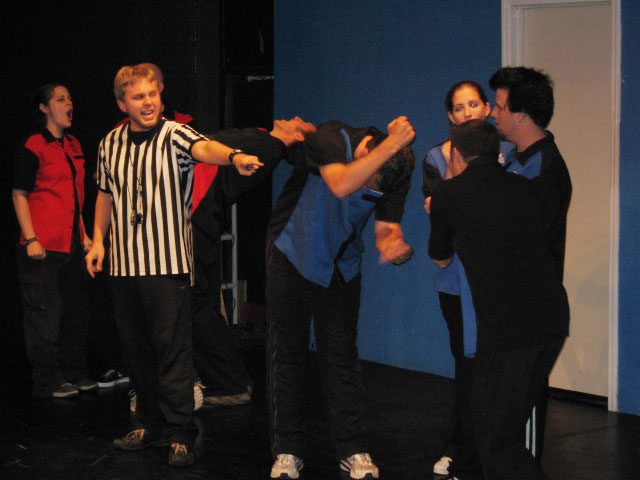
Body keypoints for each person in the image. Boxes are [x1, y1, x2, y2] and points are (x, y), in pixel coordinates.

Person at [84, 64, 262, 467]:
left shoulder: (175, 133)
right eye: (138, 97)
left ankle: (180, 432)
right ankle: (148, 425)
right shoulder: (110, 143)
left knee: (173, 351)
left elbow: (205, 149)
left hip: (166, 266)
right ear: (122, 104)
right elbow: (105, 195)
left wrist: (233, 156)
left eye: (153, 94)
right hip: (124, 267)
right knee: (137, 351)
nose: (148, 103)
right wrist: (97, 241)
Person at [266, 117, 416, 479]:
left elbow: (385, 228)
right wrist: (393, 142)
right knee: (288, 354)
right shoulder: (332, 137)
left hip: (340, 265)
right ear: (365, 153)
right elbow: (340, 183)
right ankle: (287, 449)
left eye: (374, 187)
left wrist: (392, 245)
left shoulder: (396, 170)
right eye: (369, 178)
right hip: (292, 253)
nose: (368, 188)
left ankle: (353, 448)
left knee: (341, 357)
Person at [428, 119, 569, 480]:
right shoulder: (525, 186)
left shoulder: (448, 193)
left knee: (496, 441)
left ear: (456, 154)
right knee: (498, 435)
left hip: (509, 331)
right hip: (550, 319)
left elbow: (440, 258)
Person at [421, 80, 515, 476]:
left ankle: (491, 448)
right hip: (454, 280)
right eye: (458, 108)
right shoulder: (435, 156)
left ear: (486, 108)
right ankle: (457, 447)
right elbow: (436, 207)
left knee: (496, 368)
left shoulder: (509, 150)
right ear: (450, 116)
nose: (467, 113)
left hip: (496, 278)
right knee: (465, 364)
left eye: (473, 104)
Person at [191, 117, 317, 407]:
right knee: (199, 306)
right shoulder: (264, 138)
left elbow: (207, 152)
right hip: (199, 218)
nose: (295, 117)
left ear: (298, 136)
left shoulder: (267, 147)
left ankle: (230, 382)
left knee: (197, 307)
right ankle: (225, 380)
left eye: (301, 123)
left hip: (197, 219)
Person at [489, 66, 572, 460]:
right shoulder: (514, 160)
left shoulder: (542, 169)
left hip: (533, 317)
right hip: (513, 315)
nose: (492, 113)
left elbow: (522, 242)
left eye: (499, 107)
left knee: (514, 440)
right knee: (499, 430)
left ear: (521, 115)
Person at [12, 84, 97, 399]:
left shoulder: (73, 144)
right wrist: (31, 238)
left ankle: (75, 373)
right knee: (43, 314)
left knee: (74, 313)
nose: (69, 103)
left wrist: (85, 233)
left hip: (71, 243)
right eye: (61, 99)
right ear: (45, 107)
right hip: (42, 245)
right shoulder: (34, 144)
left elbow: (74, 196)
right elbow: (19, 194)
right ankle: (47, 380)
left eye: (70, 98)